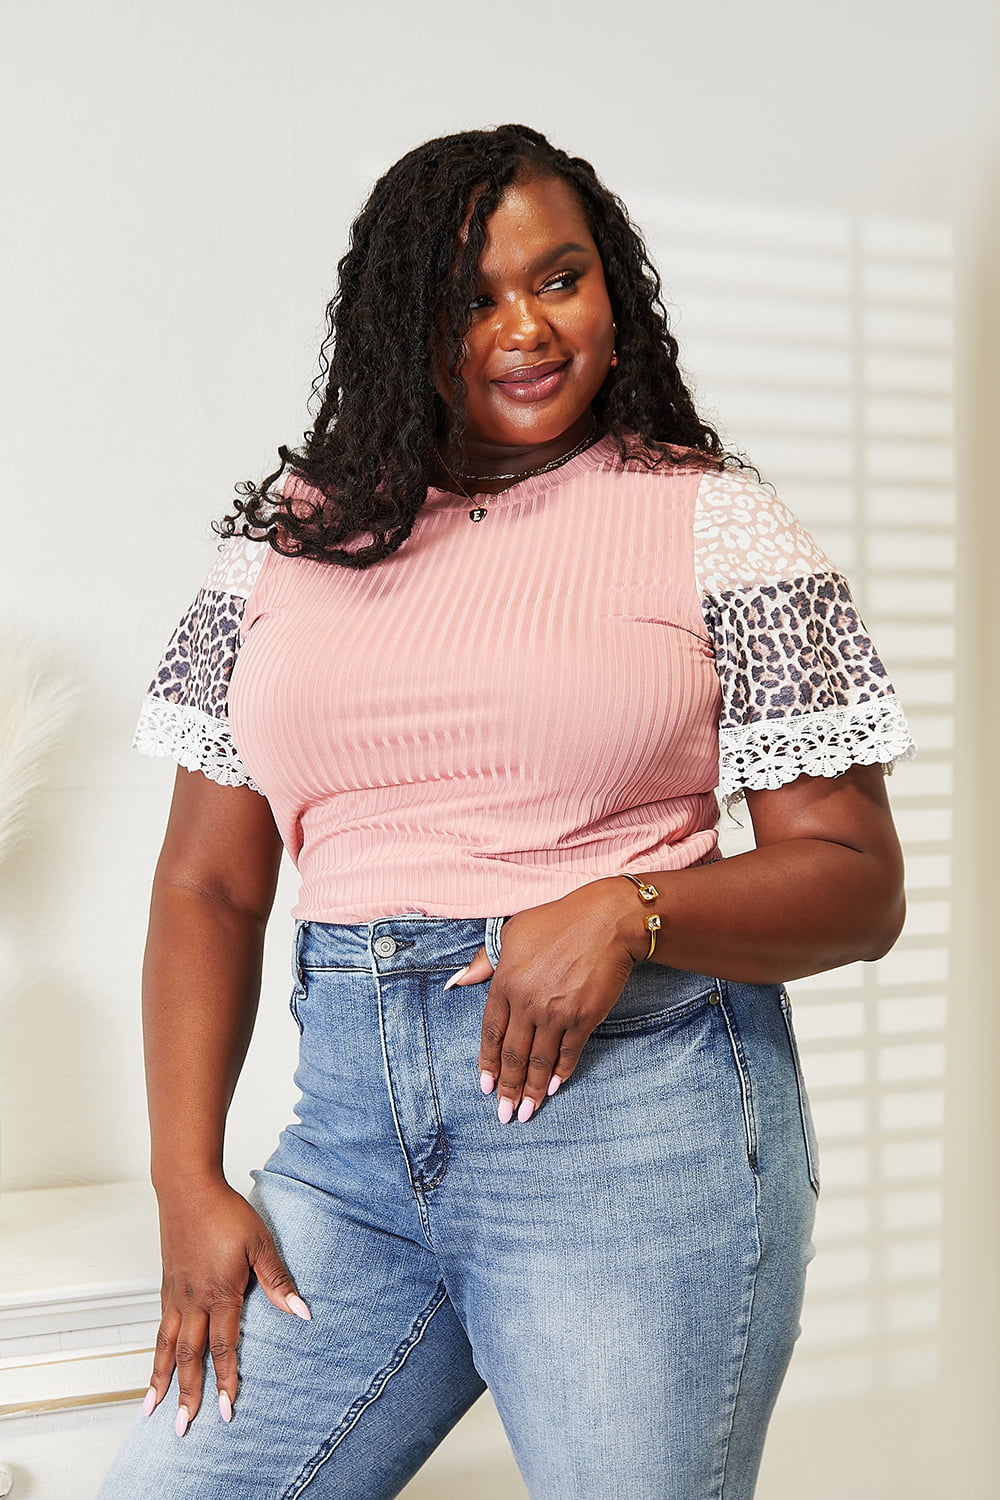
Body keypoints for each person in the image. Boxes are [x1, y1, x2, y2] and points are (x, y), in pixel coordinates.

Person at [98, 124, 911, 1500]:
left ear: (615, 293)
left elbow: (855, 881)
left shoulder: (709, 520)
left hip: (635, 1135)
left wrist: (630, 907)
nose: (524, 329)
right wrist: (187, 1178)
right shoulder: (294, 540)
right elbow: (209, 889)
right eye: (471, 298)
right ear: (401, 325)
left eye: (560, 279)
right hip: (349, 1150)